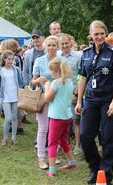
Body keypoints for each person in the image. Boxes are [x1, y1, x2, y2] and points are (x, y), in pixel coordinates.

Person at [75, 20, 113, 184]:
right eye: (96, 34)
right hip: (91, 99)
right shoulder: (86, 53)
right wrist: (79, 101)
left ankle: (106, 173)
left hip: (108, 99)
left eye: (102, 33)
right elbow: (83, 78)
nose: (100, 37)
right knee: (85, 136)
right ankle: (94, 168)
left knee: (109, 137)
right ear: (91, 35)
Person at [32, 35, 64, 170]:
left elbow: (65, 79)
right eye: (49, 45)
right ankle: (41, 158)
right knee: (43, 129)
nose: (51, 47)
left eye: (53, 45)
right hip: (43, 99)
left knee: (55, 129)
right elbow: (32, 81)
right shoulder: (39, 61)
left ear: (57, 46)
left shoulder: (62, 61)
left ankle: (53, 155)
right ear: (45, 46)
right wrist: (38, 81)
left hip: (58, 99)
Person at [44, 58, 76, 177]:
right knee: (64, 140)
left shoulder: (55, 83)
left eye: (52, 70)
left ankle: (52, 170)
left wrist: (47, 85)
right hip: (67, 116)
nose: (51, 73)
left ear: (57, 71)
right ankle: (72, 161)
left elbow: (47, 98)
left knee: (52, 143)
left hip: (56, 117)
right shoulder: (69, 82)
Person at [59, 34, 82, 155]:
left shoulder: (78, 57)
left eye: (66, 43)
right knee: (62, 121)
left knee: (76, 120)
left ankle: (78, 145)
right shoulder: (57, 57)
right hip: (60, 94)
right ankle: (64, 145)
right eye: (62, 44)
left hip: (73, 93)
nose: (64, 46)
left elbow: (81, 76)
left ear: (70, 43)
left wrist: (76, 93)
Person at [0, 50, 23, 145]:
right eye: (9, 59)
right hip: (5, 97)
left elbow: (20, 82)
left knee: (15, 117)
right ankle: (5, 138)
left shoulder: (16, 69)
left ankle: (13, 138)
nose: (11, 61)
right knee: (8, 118)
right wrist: (1, 94)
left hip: (15, 96)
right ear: (4, 59)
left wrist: (21, 92)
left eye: (12, 59)